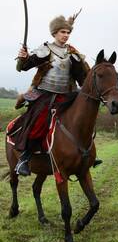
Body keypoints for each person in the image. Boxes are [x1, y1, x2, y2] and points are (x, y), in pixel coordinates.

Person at [11, 12, 101, 176]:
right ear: (54, 33)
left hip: (67, 95)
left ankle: (87, 155)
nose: (66, 36)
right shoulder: (45, 50)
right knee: (38, 121)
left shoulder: (72, 53)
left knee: (82, 118)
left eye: (68, 33)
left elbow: (83, 77)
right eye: (62, 32)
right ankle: (25, 157)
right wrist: (22, 59)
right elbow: (22, 68)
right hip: (44, 95)